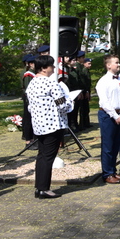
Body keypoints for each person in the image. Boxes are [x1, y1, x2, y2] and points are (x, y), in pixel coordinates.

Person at [26, 55, 74, 199]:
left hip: (39, 125)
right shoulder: (51, 83)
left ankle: (39, 187)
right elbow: (62, 104)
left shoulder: (32, 83)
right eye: (52, 65)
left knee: (42, 156)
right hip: (53, 124)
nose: (54, 68)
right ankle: (43, 188)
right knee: (48, 157)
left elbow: (30, 106)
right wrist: (70, 102)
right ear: (44, 68)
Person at [96, 54, 120, 184]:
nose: (119, 64)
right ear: (108, 65)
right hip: (108, 115)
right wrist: (115, 116)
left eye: (118, 62)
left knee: (116, 144)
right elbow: (104, 102)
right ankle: (107, 173)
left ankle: (113, 170)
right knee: (108, 145)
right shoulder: (103, 81)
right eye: (116, 62)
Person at [20, 54, 36, 144]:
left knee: (31, 120)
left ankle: (32, 139)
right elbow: (28, 89)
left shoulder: (33, 73)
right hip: (29, 100)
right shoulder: (28, 74)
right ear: (31, 64)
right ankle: (28, 140)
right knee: (28, 120)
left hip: (32, 101)